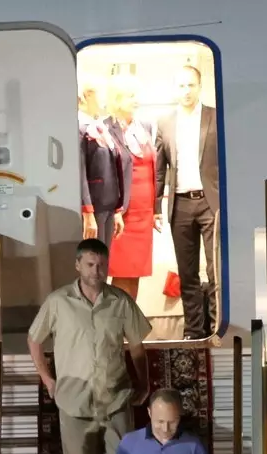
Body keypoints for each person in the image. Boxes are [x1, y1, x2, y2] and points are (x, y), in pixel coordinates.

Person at [26, 238, 151, 454]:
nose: (96, 271)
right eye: (91, 264)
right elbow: (34, 339)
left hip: (115, 397)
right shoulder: (58, 301)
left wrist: (144, 382)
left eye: (101, 265)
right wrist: (47, 379)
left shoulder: (120, 301)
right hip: (74, 402)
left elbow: (137, 347)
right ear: (78, 265)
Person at [155, 64, 220, 339]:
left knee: (216, 268)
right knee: (187, 272)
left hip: (210, 202)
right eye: (181, 85)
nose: (185, 91)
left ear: (199, 86)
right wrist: (155, 205)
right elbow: (159, 167)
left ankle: (218, 326)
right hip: (179, 204)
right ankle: (194, 330)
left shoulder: (216, 117)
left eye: (190, 85)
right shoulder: (165, 122)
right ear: (175, 88)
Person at [105, 79, 161, 298]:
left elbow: (153, 168)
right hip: (122, 214)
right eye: (130, 96)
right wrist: (116, 210)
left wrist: (156, 209)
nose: (135, 100)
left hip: (143, 214)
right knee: (119, 272)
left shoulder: (144, 127)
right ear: (117, 101)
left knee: (135, 272)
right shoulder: (105, 128)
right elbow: (106, 172)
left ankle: (129, 325)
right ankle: (115, 327)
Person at [78, 81, 129, 259]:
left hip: (108, 204)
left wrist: (117, 210)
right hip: (94, 207)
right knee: (92, 264)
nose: (104, 99)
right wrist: (87, 212)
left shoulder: (100, 128)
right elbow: (79, 172)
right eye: (100, 93)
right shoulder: (79, 128)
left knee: (102, 263)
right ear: (87, 96)